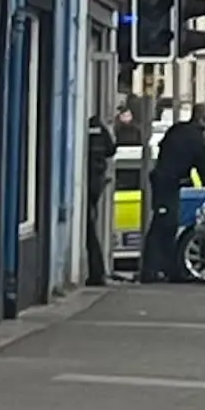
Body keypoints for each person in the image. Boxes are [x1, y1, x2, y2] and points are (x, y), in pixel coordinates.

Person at [139, 103, 205, 283]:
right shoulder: (194, 137)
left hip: (165, 182)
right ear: (203, 118)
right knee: (161, 226)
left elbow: (199, 162)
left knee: (168, 226)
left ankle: (166, 270)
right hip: (168, 183)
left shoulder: (178, 130)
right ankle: (150, 272)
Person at [86, 114, 117, 286]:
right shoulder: (99, 127)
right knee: (91, 226)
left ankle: (96, 273)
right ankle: (97, 272)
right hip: (97, 178)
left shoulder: (86, 127)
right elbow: (111, 149)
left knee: (89, 229)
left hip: (89, 178)